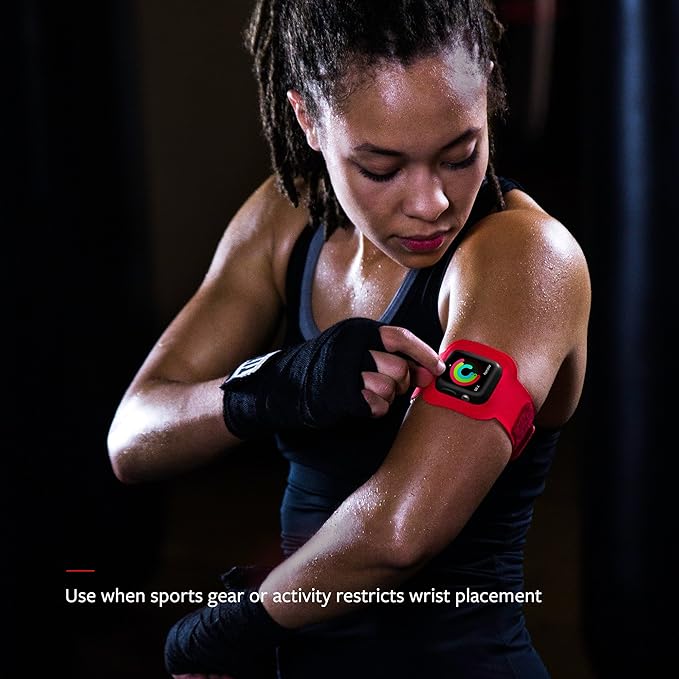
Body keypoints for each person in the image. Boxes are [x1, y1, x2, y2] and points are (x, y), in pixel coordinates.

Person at [107, 1, 591, 677]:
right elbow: (132, 438)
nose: (430, 203)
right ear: (307, 119)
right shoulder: (288, 219)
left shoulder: (523, 256)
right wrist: (276, 385)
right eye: (381, 168)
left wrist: (233, 624)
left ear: (485, 87)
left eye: (459, 154)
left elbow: (400, 531)